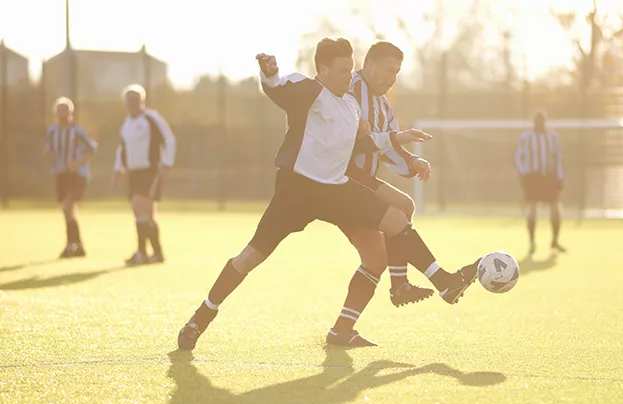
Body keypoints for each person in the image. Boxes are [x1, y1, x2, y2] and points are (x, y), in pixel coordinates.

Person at [177, 37, 480, 350]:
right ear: (321, 69)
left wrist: (398, 138)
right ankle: (200, 318)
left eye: (351, 69)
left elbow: (363, 144)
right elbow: (277, 89)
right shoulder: (309, 90)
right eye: (342, 70)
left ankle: (444, 283)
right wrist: (269, 73)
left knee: (397, 217)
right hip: (297, 191)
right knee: (249, 258)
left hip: (335, 189)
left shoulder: (350, 105)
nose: (350, 75)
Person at [327, 41, 447, 343]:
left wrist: (413, 161)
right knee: (403, 206)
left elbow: (390, 145)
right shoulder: (350, 89)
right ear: (368, 66)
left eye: (397, 72)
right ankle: (404, 285)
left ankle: (341, 331)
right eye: (388, 70)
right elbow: (353, 138)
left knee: (375, 259)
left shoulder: (382, 104)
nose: (392, 78)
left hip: (361, 183)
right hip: (343, 180)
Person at [112, 84, 176, 266]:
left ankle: (142, 252)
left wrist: (167, 165)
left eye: (135, 99)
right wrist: (118, 169)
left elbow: (169, 139)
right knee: (147, 213)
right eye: (129, 100)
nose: (132, 103)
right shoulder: (126, 124)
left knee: (138, 206)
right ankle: (157, 254)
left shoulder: (151, 118)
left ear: (142, 101)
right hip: (133, 173)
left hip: (151, 171)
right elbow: (122, 148)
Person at [43, 97, 98, 258]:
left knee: (68, 207)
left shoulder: (77, 131)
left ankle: (70, 245)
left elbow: (92, 149)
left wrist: (76, 163)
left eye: (65, 110)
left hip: (77, 174)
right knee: (68, 211)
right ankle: (78, 246)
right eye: (59, 110)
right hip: (61, 173)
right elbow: (49, 149)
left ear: (70, 112)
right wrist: (48, 154)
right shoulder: (52, 131)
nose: (62, 114)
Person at [514, 110, 565, 255]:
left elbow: (558, 157)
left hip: (549, 177)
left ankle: (555, 240)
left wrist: (560, 176)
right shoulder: (526, 137)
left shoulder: (552, 137)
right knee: (532, 208)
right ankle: (531, 241)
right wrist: (524, 174)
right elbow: (518, 157)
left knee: (555, 207)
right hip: (533, 177)